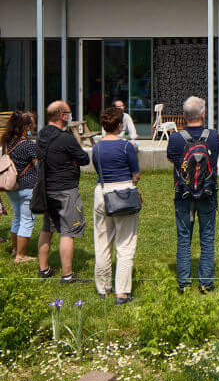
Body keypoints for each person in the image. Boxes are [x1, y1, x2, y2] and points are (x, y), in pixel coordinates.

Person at [166, 96, 219, 294]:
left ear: (183, 117)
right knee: (207, 237)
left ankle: (184, 284)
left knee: (183, 237)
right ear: (203, 114)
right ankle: (206, 283)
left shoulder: (175, 138)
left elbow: (172, 159)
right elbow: (213, 162)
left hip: (183, 194)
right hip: (208, 193)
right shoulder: (213, 137)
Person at [36, 100, 90, 283]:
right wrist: (71, 159)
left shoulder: (41, 135)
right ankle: (67, 275)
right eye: (68, 113)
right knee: (68, 232)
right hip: (66, 190)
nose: (70, 116)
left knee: (47, 229)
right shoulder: (65, 138)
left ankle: (44, 270)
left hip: (47, 190)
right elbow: (84, 158)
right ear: (61, 115)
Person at [92, 105, 141, 303]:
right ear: (119, 125)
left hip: (102, 192)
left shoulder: (96, 147)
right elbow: (135, 173)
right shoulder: (126, 146)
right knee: (125, 244)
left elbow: (98, 170)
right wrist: (133, 184)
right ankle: (122, 292)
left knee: (102, 242)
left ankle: (104, 288)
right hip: (124, 191)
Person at [0, 110, 38, 262]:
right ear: (26, 126)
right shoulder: (29, 144)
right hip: (27, 187)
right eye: (32, 123)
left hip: (12, 187)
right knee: (27, 220)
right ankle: (21, 256)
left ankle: (15, 249)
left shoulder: (7, 143)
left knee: (17, 218)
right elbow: (38, 166)